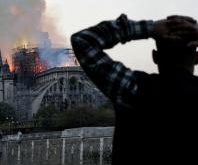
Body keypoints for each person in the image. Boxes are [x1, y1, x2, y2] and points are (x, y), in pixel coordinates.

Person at [71, 14, 198, 164]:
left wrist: (148, 28)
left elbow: (82, 40)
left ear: (155, 57)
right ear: (196, 58)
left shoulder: (133, 88)